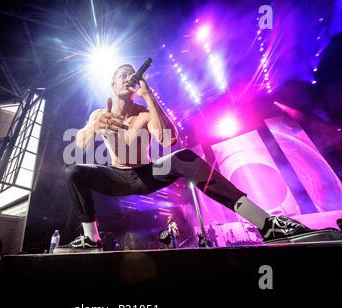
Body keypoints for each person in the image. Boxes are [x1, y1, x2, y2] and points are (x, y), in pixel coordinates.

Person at [60, 63, 316, 252]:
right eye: (122, 75)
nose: (129, 76)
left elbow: (168, 140)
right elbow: (80, 143)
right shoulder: (99, 114)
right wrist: (95, 126)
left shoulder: (145, 113)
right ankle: (91, 239)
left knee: (182, 156)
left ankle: (266, 224)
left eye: (132, 73)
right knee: (74, 171)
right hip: (116, 176)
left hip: (146, 175)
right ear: (113, 85)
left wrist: (149, 97)